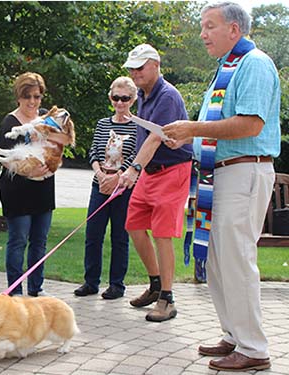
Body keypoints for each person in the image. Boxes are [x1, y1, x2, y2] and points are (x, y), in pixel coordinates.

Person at [162, 2, 279, 371]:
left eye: (209, 26)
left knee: (236, 259)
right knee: (215, 258)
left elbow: (250, 125)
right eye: (202, 26)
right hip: (219, 174)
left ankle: (254, 348)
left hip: (243, 172)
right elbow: (217, 127)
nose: (202, 34)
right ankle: (234, 334)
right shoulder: (225, 69)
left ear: (234, 29)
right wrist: (185, 139)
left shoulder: (254, 64)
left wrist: (192, 129)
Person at [118, 44, 193, 322]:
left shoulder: (168, 96)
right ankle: (155, 284)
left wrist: (134, 168)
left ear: (155, 65)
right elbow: (144, 134)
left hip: (172, 170)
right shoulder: (143, 95)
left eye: (139, 67)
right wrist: (137, 167)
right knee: (134, 226)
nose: (134, 72)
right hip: (150, 171)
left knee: (162, 234)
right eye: (131, 68)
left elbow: (155, 138)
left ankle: (167, 298)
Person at [74, 77, 137, 300]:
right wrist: (100, 175)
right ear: (110, 98)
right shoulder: (102, 124)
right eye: (116, 98)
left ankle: (116, 285)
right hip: (100, 185)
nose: (120, 103)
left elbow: (136, 156)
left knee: (120, 237)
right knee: (93, 234)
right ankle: (90, 281)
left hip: (124, 188)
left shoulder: (138, 126)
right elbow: (93, 152)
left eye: (125, 98)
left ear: (133, 99)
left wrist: (119, 177)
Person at [0, 72, 55, 297]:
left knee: (39, 241)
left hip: (43, 189)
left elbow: (57, 146)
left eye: (37, 97)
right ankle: (15, 290)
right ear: (19, 97)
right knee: (18, 239)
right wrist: (28, 172)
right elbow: (5, 159)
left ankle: (36, 288)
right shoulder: (9, 123)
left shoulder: (47, 119)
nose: (32, 102)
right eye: (27, 96)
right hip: (17, 190)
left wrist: (50, 165)